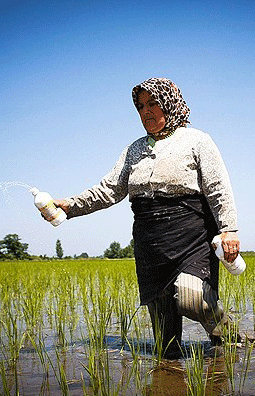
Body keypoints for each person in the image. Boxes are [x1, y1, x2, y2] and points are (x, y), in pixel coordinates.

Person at [54, 77, 241, 358]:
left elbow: (217, 188)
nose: (146, 111)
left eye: (153, 103)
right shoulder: (134, 149)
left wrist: (229, 229)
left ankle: (230, 339)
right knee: (166, 345)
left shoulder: (197, 141)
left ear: (170, 102)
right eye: (141, 106)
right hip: (150, 242)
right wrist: (69, 206)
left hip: (191, 236)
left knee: (193, 299)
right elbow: (109, 190)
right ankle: (169, 375)